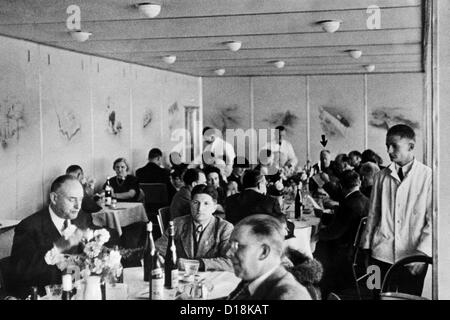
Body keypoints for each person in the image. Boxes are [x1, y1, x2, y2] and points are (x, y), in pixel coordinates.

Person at [9, 175, 116, 298]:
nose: (78, 206)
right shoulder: (29, 227)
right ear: (54, 198)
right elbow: (20, 273)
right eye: (72, 199)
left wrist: (105, 248)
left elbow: (98, 240)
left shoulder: (81, 218)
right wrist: (59, 247)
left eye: (80, 199)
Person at [360, 124, 432, 297]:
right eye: (387, 146)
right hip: (379, 255)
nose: (389, 150)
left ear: (411, 146)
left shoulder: (428, 176)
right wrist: (366, 247)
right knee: (376, 294)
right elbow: (373, 215)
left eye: (394, 146)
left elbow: (433, 220)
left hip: (412, 257)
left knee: (410, 297)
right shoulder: (380, 177)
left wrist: (423, 253)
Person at [227, 214, 311, 300]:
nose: (229, 253)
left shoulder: (288, 296)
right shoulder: (252, 280)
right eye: (230, 245)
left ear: (263, 252)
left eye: (237, 246)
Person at [315, 170, 369, 296]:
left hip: (344, 251)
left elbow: (334, 232)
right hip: (360, 250)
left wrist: (316, 235)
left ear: (340, 186)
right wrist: (323, 216)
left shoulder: (348, 204)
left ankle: (323, 290)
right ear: (359, 183)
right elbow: (345, 222)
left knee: (316, 248)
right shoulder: (366, 200)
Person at [155, 185, 233, 271]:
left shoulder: (224, 228)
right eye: (196, 202)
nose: (200, 208)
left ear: (214, 208)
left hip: (212, 279)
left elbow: (231, 261)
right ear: (190, 204)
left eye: (206, 203)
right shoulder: (178, 223)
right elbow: (157, 250)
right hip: (182, 278)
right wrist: (159, 258)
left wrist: (197, 264)